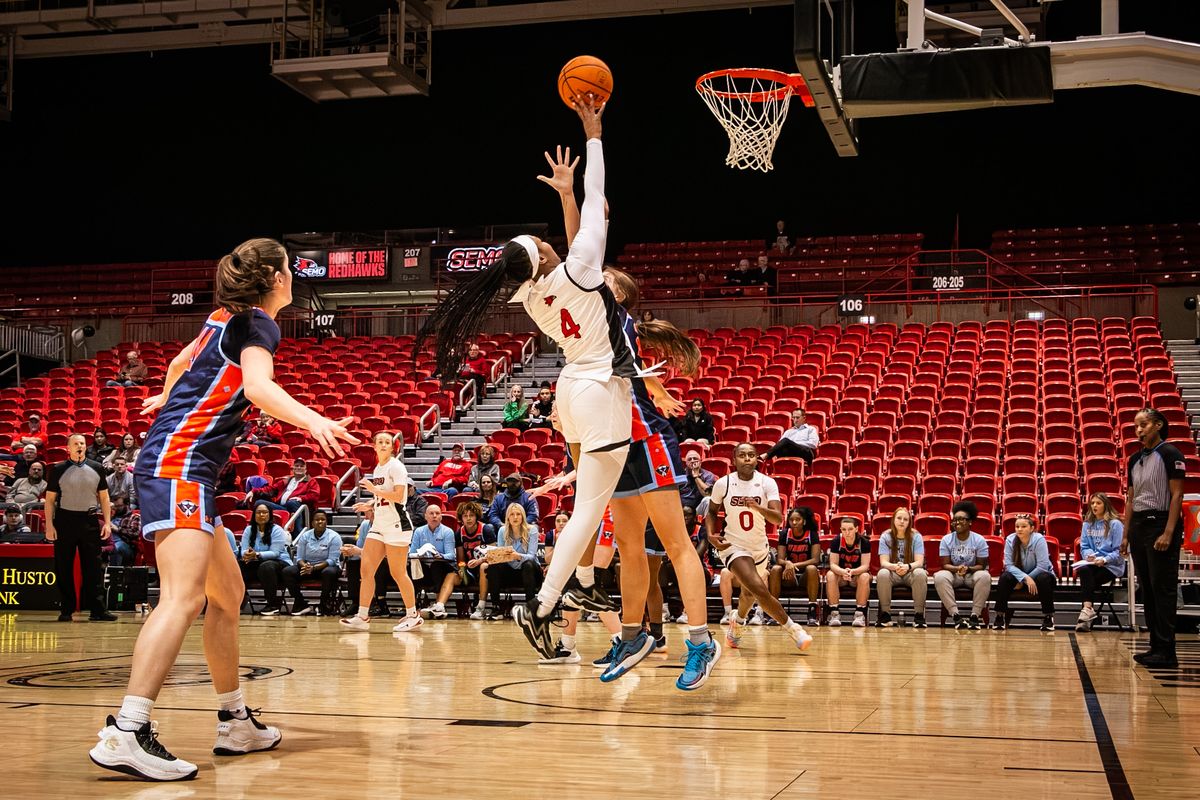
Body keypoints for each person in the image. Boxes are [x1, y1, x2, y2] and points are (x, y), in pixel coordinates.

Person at [90, 238, 356, 781]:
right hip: (180, 466)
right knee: (183, 599)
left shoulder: (223, 317)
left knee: (227, 595)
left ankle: (235, 721)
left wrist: (171, 397)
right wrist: (313, 421)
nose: (293, 275)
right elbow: (258, 386)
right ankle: (127, 729)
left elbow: (187, 361)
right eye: (289, 268)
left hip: (184, 465)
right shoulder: (258, 324)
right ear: (278, 278)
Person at [416, 97, 634, 660]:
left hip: (570, 390)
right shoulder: (573, 269)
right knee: (590, 505)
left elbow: (577, 242)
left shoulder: (533, 294)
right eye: (541, 243)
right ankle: (544, 603)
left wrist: (564, 195)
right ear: (541, 257)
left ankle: (580, 588)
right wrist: (594, 135)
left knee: (590, 502)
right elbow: (597, 206)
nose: (546, 240)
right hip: (600, 388)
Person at [594, 266, 719, 687]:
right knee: (628, 548)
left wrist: (576, 201)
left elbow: (583, 256)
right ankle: (632, 637)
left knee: (675, 544)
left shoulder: (615, 316)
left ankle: (701, 642)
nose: (598, 275)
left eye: (607, 276)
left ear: (622, 294)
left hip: (646, 439)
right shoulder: (594, 319)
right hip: (615, 443)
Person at [707, 443, 812, 652]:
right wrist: (710, 535)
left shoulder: (767, 483)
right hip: (733, 546)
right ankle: (795, 630)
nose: (747, 459)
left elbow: (777, 517)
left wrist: (756, 506)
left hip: (759, 547)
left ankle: (737, 621)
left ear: (757, 459)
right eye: (742, 455)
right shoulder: (723, 483)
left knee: (749, 593)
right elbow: (711, 512)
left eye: (751, 455)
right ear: (734, 459)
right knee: (760, 590)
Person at [1121, 408, 1186, 667]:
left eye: (1144, 424)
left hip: (1160, 521)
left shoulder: (1171, 453)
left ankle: (1167, 650)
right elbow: (1130, 497)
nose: (1139, 430)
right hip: (1138, 525)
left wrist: (1169, 531)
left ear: (1158, 425)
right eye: (1136, 426)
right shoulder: (1135, 458)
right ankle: (1155, 646)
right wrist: (1126, 534)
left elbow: (1177, 495)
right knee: (1147, 587)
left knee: (1163, 588)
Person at [340, 431, 421, 633]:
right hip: (379, 524)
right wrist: (369, 504)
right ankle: (362, 615)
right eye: (380, 442)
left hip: (397, 524)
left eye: (387, 442)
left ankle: (413, 615)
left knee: (398, 572)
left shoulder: (397, 467)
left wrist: (373, 491)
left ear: (392, 447)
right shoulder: (378, 468)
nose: (384, 445)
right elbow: (382, 499)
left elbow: (399, 495)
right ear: (374, 446)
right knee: (366, 570)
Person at [45, 433, 115, 623]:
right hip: (64, 520)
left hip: (89, 520)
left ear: (86, 446)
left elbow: (105, 498)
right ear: (68, 447)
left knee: (93, 567)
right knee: (63, 567)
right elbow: (50, 500)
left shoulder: (97, 468)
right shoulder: (58, 469)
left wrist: (107, 523)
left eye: (82, 443)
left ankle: (97, 610)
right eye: (75, 443)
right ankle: (66, 609)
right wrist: (49, 525)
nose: (79, 446)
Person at [934, 501, 991, 630]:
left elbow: (981, 565)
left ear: (970, 522)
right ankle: (955, 616)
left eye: (961, 519)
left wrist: (968, 569)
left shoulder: (979, 540)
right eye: (955, 520)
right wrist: (957, 569)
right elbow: (945, 564)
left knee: (985, 576)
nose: (957, 522)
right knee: (940, 576)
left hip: (972, 574)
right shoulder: (946, 540)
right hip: (955, 575)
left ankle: (975, 617)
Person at [994, 514, 1056, 631]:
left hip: (1040, 576)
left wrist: (1024, 580)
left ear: (1031, 528)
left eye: (1023, 526)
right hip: (1020, 577)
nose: (1019, 529)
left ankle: (1048, 616)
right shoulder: (1010, 540)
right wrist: (1024, 578)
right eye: (1017, 526)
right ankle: (999, 616)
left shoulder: (1039, 539)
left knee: (1044, 578)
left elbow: (1042, 566)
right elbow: (1009, 565)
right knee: (1005, 577)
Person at [1075, 493, 1126, 633]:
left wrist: (1104, 560)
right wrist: (1088, 556)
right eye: (1092, 503)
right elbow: (1084, 547)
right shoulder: (1087, 524)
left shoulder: (1115, 524)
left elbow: (1119, 551)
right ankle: (1088, 610)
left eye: (1098, 503)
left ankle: (1086, 614)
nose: (1094, 506)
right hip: (1093, 564)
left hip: (1112, 566)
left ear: (1106, 505)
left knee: (1087, 583)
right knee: (1084, 571)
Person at [281, 510, 342, 616]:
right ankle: (301, 603)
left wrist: (313, 568)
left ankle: (323, 605)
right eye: (317, 520)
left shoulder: (334, 537)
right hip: (308, 567)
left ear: (326, 522)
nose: (320, 522)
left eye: (322, 520)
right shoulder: (305, 536)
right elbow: (299, 558)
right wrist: (305, 566)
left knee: (328, 572)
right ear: (312, 523)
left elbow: (332, 560)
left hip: (327, 567)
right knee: (288, 571)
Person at [875, 507, 928, 628]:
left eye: (905, 519)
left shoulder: (916, 536)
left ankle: (919, 616)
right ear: (893, 520)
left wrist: (907, 566)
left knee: (920, 573)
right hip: (893, 572)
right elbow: (883, 562)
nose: (902, 521)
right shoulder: (885, 536)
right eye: (899, 518)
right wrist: (895, 566)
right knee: (882, 573)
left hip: (910, 572)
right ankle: (885, 615)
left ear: (909, 522)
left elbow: (919, 562)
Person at [239, 502, 293, 615]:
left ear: (270, 515)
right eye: (258, 512)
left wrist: (257, 554)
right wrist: (247, 554)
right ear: (254, 515)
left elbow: (275, 553)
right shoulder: (249, 530)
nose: (262, 515)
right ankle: (240, 598)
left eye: (265, 512)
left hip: (280, 563)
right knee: (238, 565)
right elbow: (243, 549)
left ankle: (273, 605)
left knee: (267, 566)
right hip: (257, 562)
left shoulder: (277, 530)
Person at [771, 507, 822, 626]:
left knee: (812, 568)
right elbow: (780, 560)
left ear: (804, 521)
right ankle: (773, 610)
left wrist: (793, 565)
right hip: (789, 575)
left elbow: (815, 560)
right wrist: (787, 564)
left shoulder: (812, 535)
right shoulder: (784, 534)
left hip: (806, 577)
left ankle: (812, 611)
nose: (794, 522)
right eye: (791, 520)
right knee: (776, 568)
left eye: (797, 519)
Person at [487, 503, 542, 613]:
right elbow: (501, 555)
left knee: (528, 564)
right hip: (511, 571)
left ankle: (530, 607)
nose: (515, 517)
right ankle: (495, 607)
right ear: (508, 517)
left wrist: (518, 556)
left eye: (518, 514)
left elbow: (532, 556)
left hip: (530, 572)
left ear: (523, 516)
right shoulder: (502, 530)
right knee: (493, 566)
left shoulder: (532, 530)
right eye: (512, 514)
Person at [412, 504, 459, 619]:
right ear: (425, 516)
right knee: (412, 565)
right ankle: (412, 607)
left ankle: (438, 605)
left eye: (437, 513)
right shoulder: (418, 531)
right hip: (424, 567)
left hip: (442, 566)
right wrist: (419, 554)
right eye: (431, 513)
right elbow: (410, 553)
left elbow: (451, 555)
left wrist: (440, 555)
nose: (434, 516)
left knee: (436, 565)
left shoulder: (447, 532)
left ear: (441, 517)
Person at [341, 508, 390, 618]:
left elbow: (386, 552)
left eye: (373, 510)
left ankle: (381, 604)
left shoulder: (388, 526)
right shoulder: (364, 525)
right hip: (369, 557)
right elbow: (361, 546)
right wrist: (352, 551)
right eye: (369, 511)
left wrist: (359, 551)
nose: (371, 513)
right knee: (353, 562)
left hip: (388, 561)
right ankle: (356, 601)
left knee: (379, 564)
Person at [826, 516, 872, 627]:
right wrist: (843, 572)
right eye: (844, 529)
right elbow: (833, 564)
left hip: (857, 575)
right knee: (830, 574)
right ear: (841, 530)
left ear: (856, 529)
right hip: (841, 575)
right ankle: (834, 613)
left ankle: (859, 613)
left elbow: (865, 566)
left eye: (850, 529)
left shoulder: (864, 542)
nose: (847, 532)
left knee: (865, 576)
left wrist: (852, 572)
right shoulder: (837, 541)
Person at [246, 458, 319, 525]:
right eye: (296, 466)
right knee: (259, 503)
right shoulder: (287, 480)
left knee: (292, 502)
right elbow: (271, 489)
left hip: (299, 509)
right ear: (293, 469)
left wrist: (301, 498)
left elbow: (314, 495)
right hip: (282, 507)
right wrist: (253, 491)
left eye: (301, 466)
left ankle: (298, 533)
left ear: (305, 470)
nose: (298, 468)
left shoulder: (311, 481)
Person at [455, 501, 497, 619]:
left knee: (484, 568)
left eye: (471, 515)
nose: (468, 519)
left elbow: (493, 555)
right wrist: (462, 568)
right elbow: (461, 559)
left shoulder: (486, 529)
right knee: (458, 573)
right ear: (461, 518)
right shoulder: (459, 533)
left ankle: (481, 607)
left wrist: (479, 561)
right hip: (470, 568)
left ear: (477, 516)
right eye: (465, 516)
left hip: (486, 565)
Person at [108, 495, 141, 567]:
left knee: (116, 547)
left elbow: (135, 533)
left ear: (127, 504)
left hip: (126, 546)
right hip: (109, 543)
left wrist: (117, 529)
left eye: (119, 506)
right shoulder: (111, 516)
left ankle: (114, 572)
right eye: (114, 506)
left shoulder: (134, 516)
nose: (116, 509)